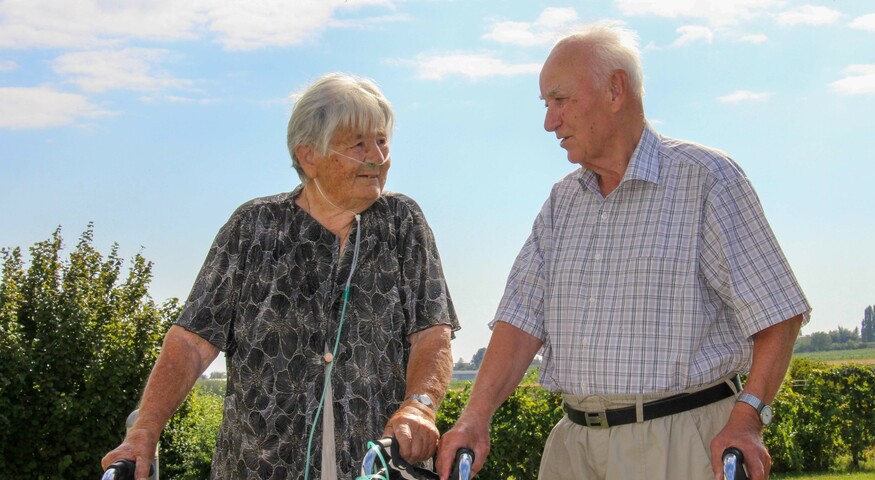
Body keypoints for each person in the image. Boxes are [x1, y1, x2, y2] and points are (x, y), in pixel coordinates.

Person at [436, 23, 810, 480]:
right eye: (546, 105)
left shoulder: (706, 179)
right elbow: (519, 320)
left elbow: (778, 314)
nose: (549, 122)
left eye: (560, 100)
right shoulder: (563, 202)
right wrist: (475, 417)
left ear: (615, 89)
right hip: (574, 449)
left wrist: (748, 417)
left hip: (680, 446)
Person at [102, 73, 459, 480]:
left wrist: (419, 405)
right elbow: (191, 343)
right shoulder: (253, 228)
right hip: (260, 467)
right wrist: (145, 431)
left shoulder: (402, 223)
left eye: (381, 140)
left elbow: (432, 332)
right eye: (358, 144)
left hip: (377, 466)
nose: (377, 156)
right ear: (309, 155)